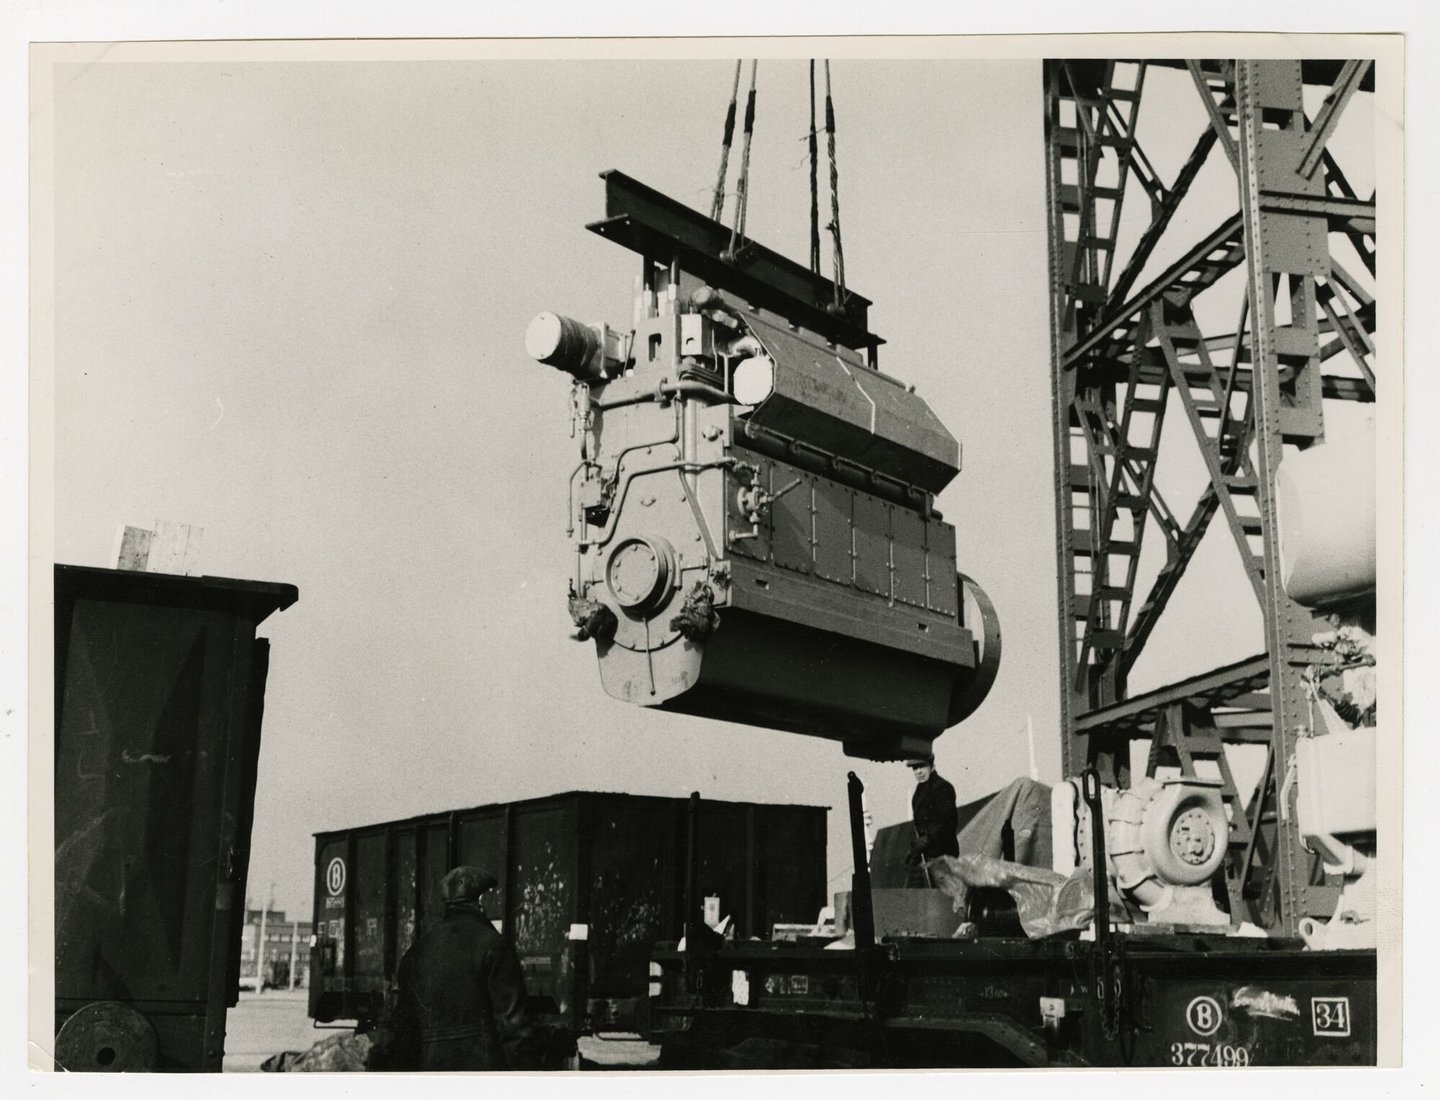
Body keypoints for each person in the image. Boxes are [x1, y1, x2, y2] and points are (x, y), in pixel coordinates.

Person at [389, 866, 535, 1071]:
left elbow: (404, 1031)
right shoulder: (494, 945)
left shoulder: (415, 952)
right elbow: (514, 1026)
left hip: (431, 1076)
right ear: (481, 901)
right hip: (482, 1074)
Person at [904, 756, 959, 887]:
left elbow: (948, 822)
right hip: (922, 856)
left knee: (943, 899)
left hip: (940, 857)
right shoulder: (918, 792)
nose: (918, 772)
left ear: (931, 765)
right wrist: (912, 851)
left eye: (921, 766)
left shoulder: (943, 787)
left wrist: (927, 839)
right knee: (913, 895)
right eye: (914, 768)